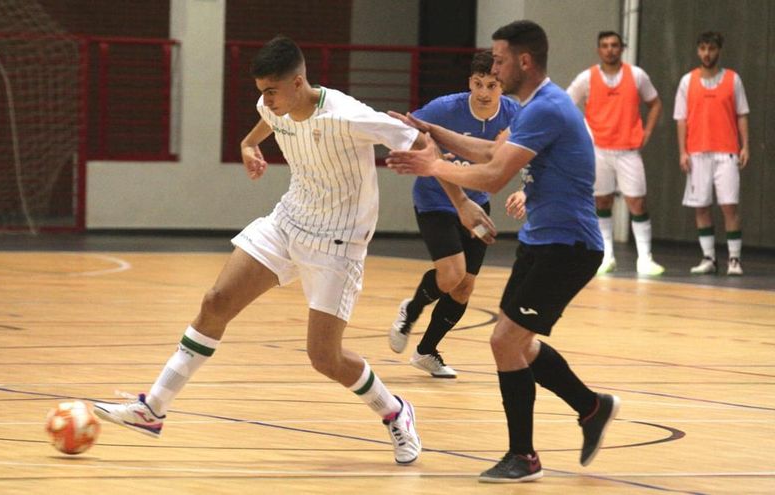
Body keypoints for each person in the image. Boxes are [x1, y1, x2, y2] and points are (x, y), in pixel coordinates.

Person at [92, 36, 492, 465]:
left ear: (298, 82)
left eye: (271, 90)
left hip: (338, 242)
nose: (264, 100)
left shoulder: (348, 115)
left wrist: (463, 202)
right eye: (261, 91)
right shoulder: (273, 106)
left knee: (325, 358)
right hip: (288, 223)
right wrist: (249, 146)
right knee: (215, 301)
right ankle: (153, 408)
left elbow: (422, 145)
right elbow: (263, 124)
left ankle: (395, 411)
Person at [387, 20, 620, 482]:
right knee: (521, 344)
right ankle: (592, 408)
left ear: (524, 61)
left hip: (569, 245)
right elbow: (485, 153)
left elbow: (493, 176)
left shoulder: (548, 108)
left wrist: (435, 165)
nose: (493, 66)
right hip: (541, 241)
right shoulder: (534, 108)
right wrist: (430, 128)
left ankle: (524, 456)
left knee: (504, 341)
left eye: (499, 59)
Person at [388, 49, 518, 379]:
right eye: (478, 84)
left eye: (492, 85)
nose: (485, 93)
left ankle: (426, 351)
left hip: (478, 201)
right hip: (436, 200)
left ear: (503, 86)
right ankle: (412, 309)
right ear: (469, 83)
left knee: (464, 288)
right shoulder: (444, 109)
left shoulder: (516, 114)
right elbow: (410, 130)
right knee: (451, 274)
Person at [567, 31, 664, 276]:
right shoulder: (587, 78)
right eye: (605, 45)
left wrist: (647, 131)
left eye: (614, 45)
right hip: (598, 150)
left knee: (637, 202)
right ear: (598, 49)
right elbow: (566, 104)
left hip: (628, 150)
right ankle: (606, 255)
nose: (610, 49)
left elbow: (655, 103)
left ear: (622, 48)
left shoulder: (637, 75)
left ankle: (645, 258)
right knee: (602, 201)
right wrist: (583, 133)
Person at [675, 31, 750, 276]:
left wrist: (745, 146)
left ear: (719, 51)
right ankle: (709, 258)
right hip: (697, 152)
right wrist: (683, 151)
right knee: (702, 207)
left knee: (729, 206)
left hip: (726, 151)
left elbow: (741, 114)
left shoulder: (733, 79)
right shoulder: (688, 81)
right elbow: (681, 119)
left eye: (712, 49)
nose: (707, 53)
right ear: (698, 51)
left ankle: (734, 260)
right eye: (703, 48)